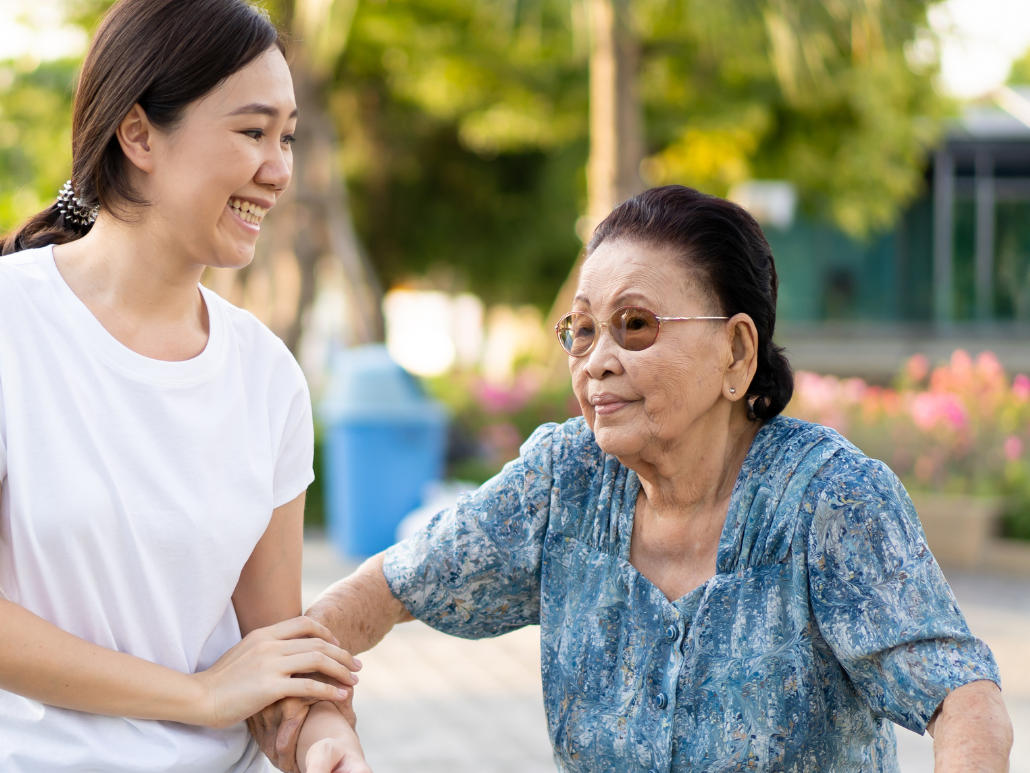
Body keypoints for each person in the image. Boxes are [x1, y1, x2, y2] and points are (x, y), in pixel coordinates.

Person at [254, 185, 1014, 772]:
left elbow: (964, 697)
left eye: (636, 325)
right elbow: (386, 588)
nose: (596, 359)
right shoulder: (564, 481)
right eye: (581, 331)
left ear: (737, 354)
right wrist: (311, 708)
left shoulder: (829, 499)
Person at [0, 1, 369, 771]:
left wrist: (326, 735)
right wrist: (198, 695)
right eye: (252, 131)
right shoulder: (14, 324)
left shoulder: (268, 379)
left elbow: (273, 656)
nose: (280, 169)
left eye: (288, 136)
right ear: (138, 135)